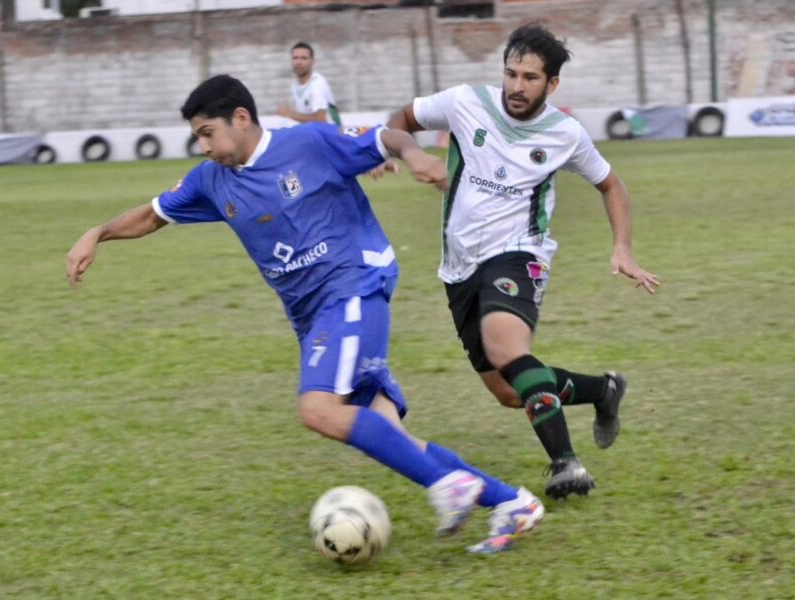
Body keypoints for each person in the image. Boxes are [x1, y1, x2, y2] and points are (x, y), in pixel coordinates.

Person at [66, 74, 544, 555]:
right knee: (386, 431)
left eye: (207, 132)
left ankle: (448, 485)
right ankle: (510, 503)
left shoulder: (310, 143)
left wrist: (417, 156)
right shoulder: (210, 180)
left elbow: (387, 137)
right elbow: (153, 214)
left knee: (318, 410)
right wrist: (97, 232)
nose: (203, 145)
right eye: (198, 137)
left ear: (241, 118)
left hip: (354, 286)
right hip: (312, 317)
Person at [385, 24, 660, 500]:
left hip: (519, 253)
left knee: (505, 347)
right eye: (511, 73)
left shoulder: (565, 134)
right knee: (512, 391)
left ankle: (566, 464)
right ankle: (603, 390)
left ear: (551, 84)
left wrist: (622, 247)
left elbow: (611, 185)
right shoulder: (465, 101)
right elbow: (399, 121)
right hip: (459, 266)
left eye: (530, 77)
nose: (517, 86)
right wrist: (407, 154)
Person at [276, 42, 342, 125]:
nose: (298, 62)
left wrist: (289, 114)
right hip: (312, 135)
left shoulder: (317, 84)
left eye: (304, 58)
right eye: (295, 58)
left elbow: (320, 120)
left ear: (312, 62)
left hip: (330, 135)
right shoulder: (294, 86)